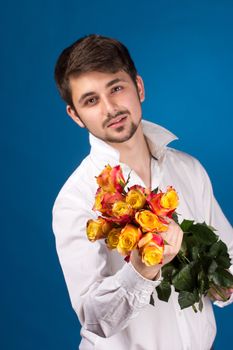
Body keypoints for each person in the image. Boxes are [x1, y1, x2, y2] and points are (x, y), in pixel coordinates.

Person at [52, 34, 233, 350]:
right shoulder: (75, 199)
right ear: (75, 115)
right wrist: (141, 270)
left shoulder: (189, 170)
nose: (111, 109)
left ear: (139, 87)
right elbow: (94, 319)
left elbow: (228, 259)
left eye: (116, 88)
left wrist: (221, 283)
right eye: (91, 100)